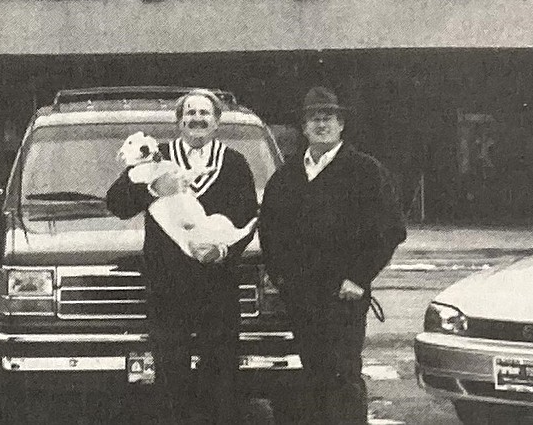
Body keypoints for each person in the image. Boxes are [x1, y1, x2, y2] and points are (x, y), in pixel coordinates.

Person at [106, 89, 259, 425]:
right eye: (189, 113)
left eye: (205, 113)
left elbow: (248, 217)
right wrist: (151, 190)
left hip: (217, 287)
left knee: (219, 374)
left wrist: (222, 251)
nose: (197, 119)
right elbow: (115, 203)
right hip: (168, 287)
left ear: (217, 122)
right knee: (170, 373)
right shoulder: (155, 159)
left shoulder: (233, 163)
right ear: (179, 122)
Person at [259, 86, 406, 425]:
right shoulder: (286, 177)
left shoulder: (365, 171)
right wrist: (282, 278)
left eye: (328, 118)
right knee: (312, 375)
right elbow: (270, 231)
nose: (321, 124)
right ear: (304, 127)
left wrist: (359, 277)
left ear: (341, 125)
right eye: (313, 119)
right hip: (301, 297)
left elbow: (391, 228)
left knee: (343, 377)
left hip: (344, 295)